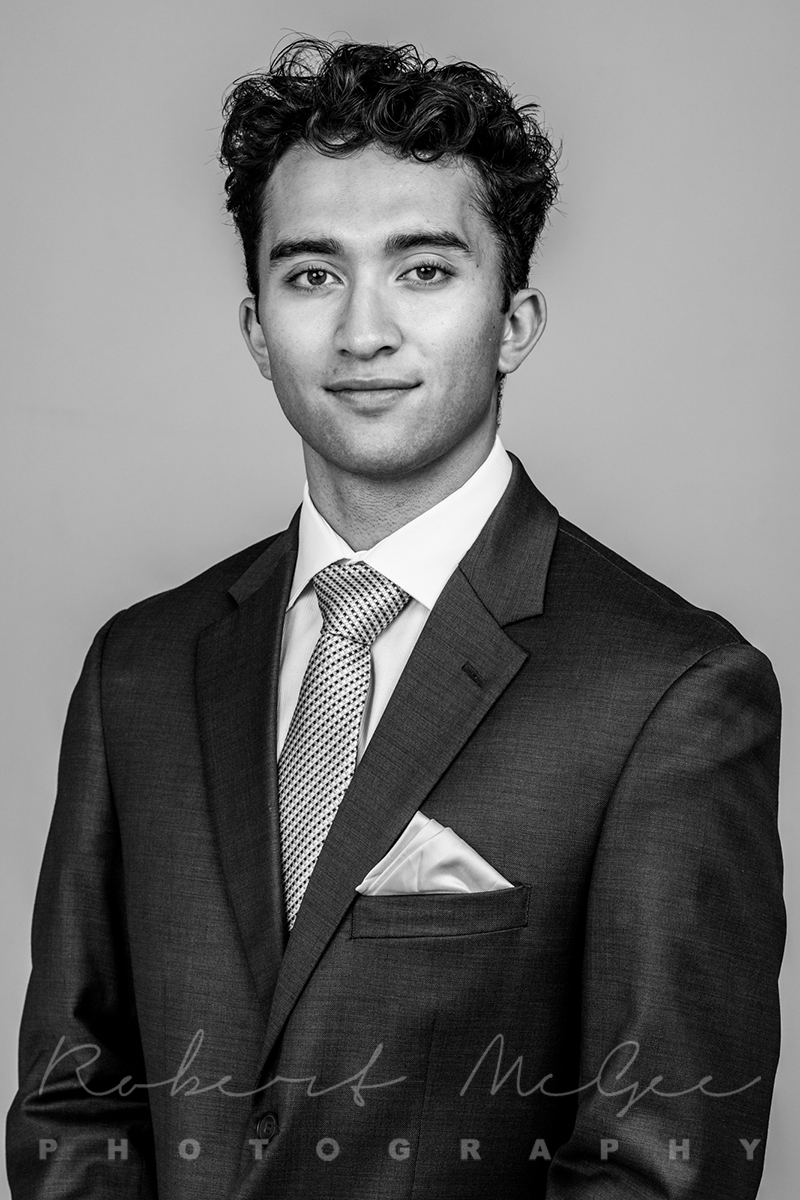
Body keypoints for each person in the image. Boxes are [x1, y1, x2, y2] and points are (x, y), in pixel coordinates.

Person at [7, 37, 784, 1200]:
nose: (362, 331)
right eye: (312, 275)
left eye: (423, 270)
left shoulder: (669, 691)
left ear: (513, 320)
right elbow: (73, 1104)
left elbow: (656, 1168)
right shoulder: (141, 668)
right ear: (256, 326)